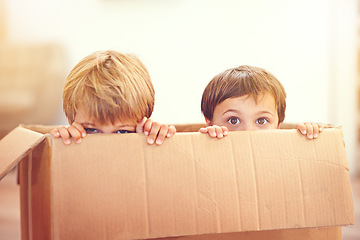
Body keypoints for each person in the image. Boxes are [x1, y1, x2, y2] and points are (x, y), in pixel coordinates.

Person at [51, 50, 176, 145]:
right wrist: (62, 144)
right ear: (71, 121)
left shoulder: (145, 136)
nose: (106, 143)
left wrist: (150, 138)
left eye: (123, 132)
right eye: (91, 130)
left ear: (143, 124)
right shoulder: (68, 142)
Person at [199, 65, 323, 139]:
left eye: (261, 120)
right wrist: (208, 141)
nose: (248, 131)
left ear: (278, 126)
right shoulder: (208, 145)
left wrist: (308, 136)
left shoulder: (284, 155)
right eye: (233, 120)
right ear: (209, 123)